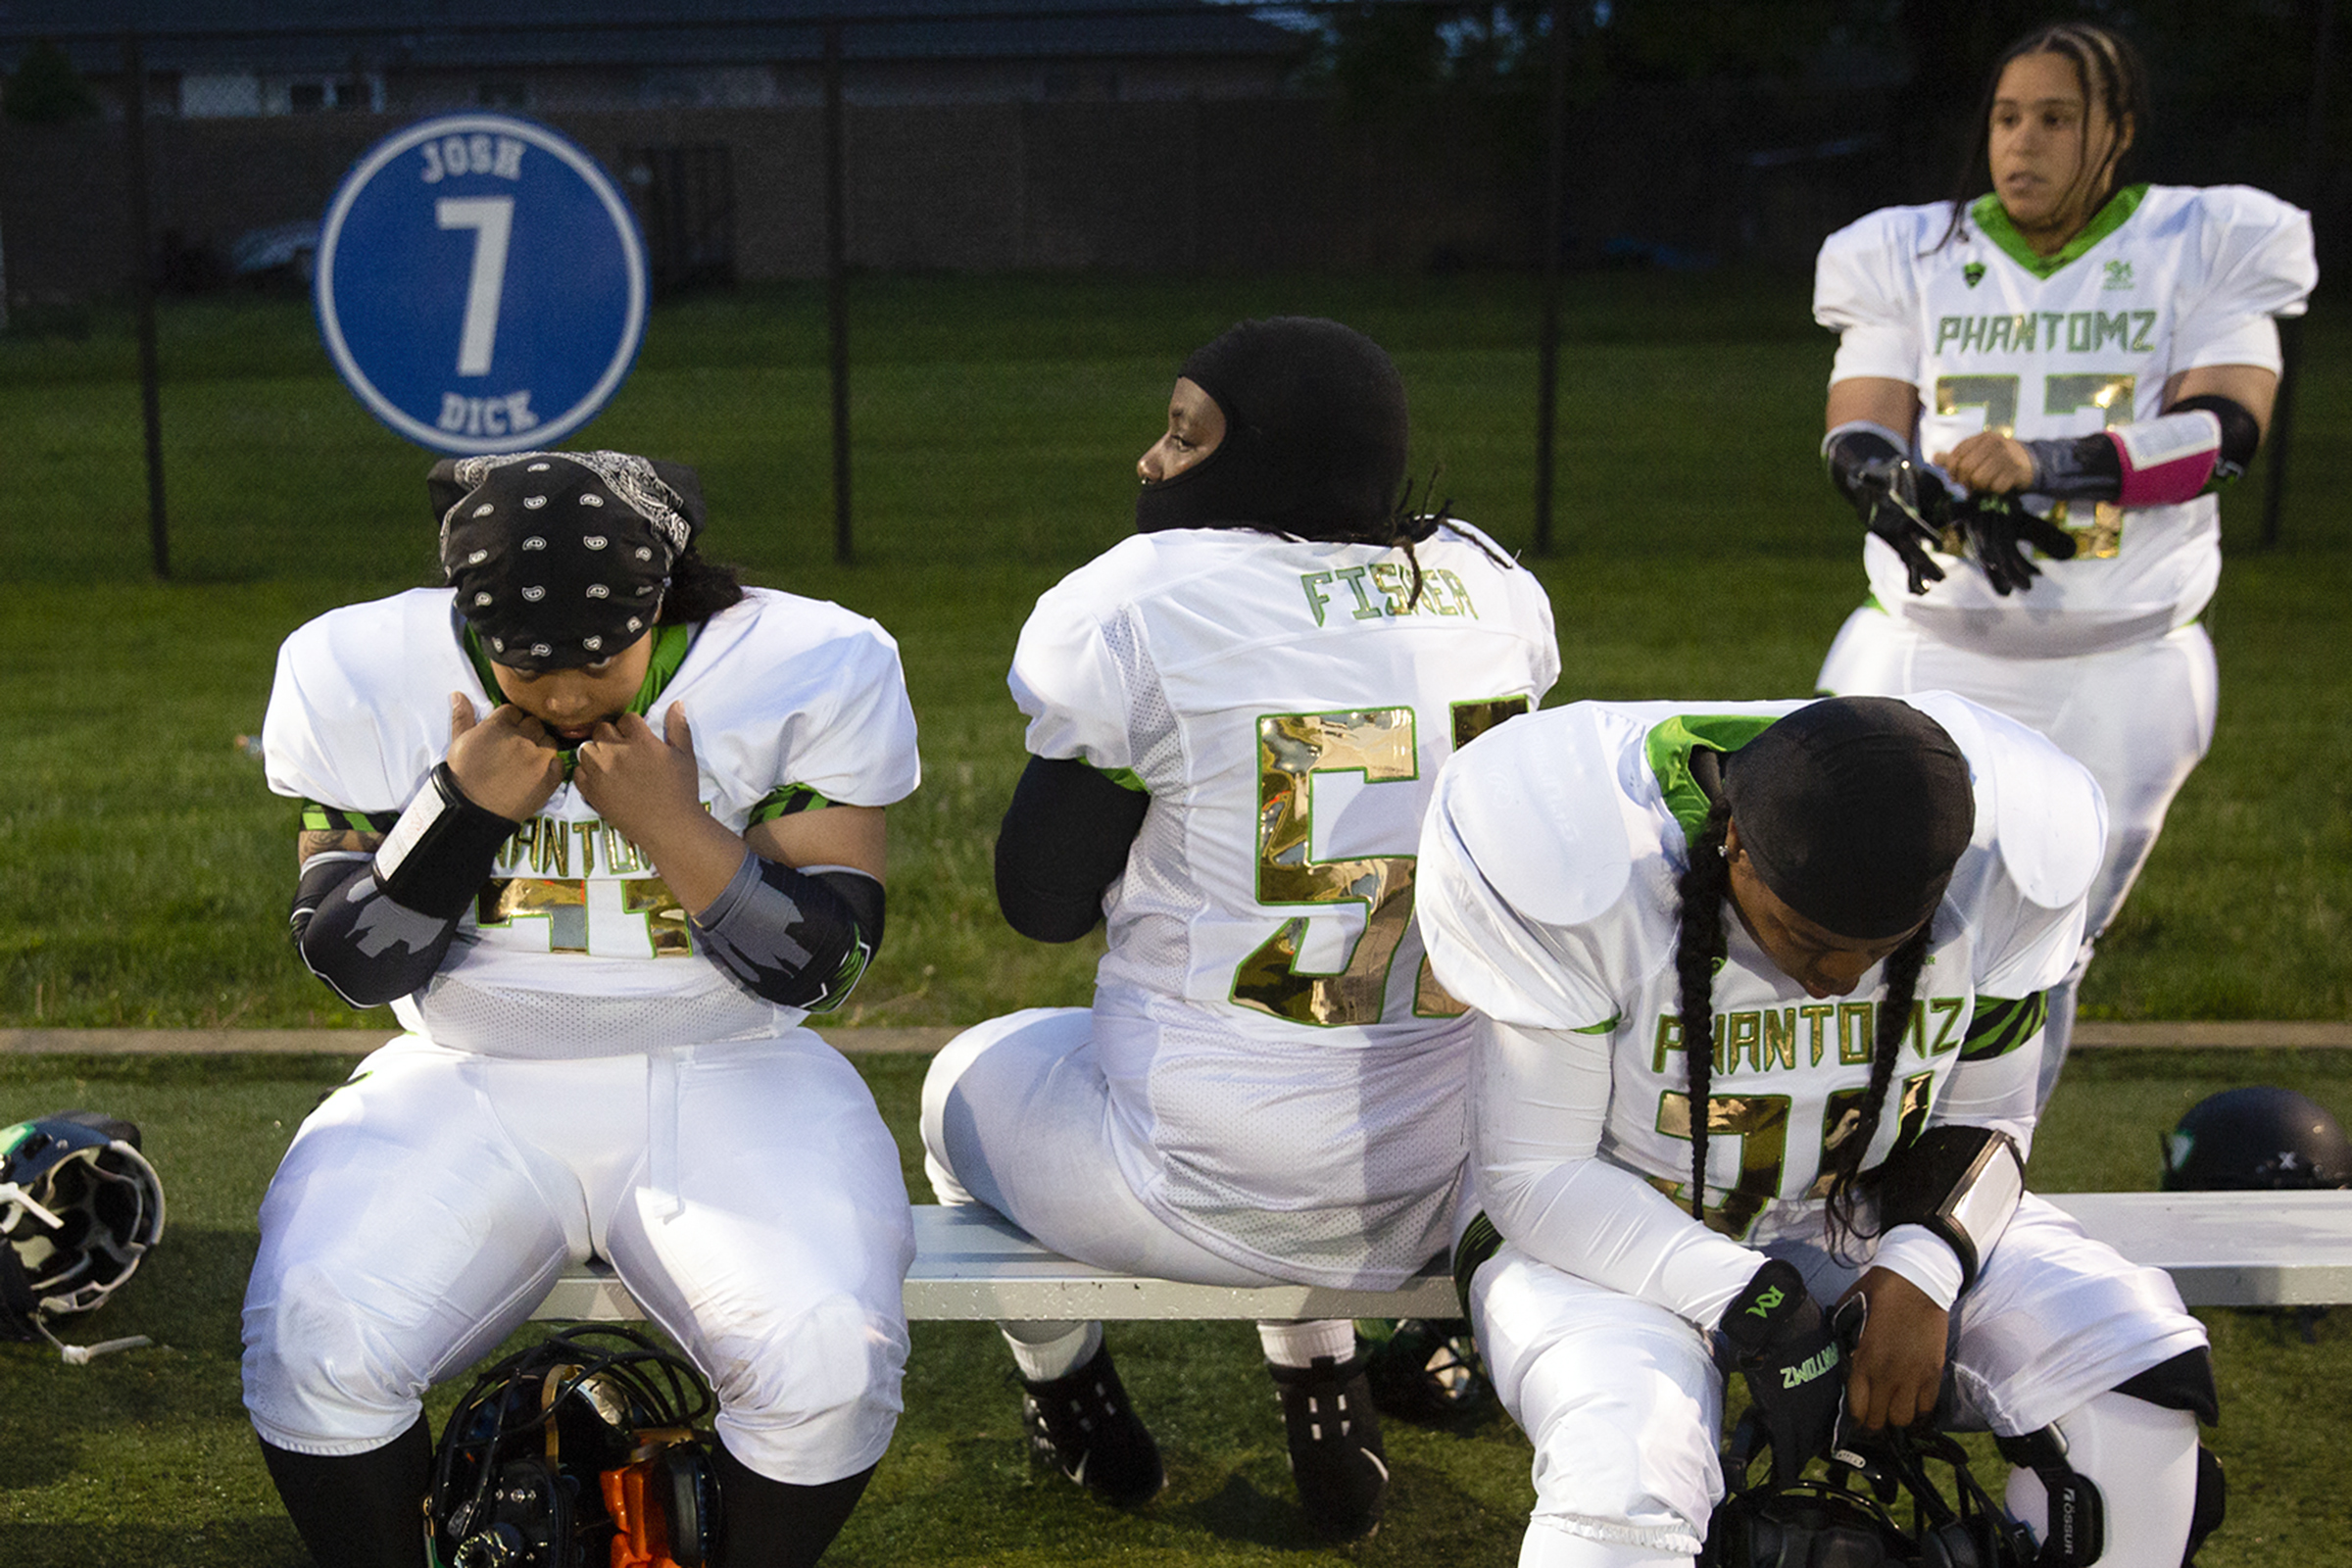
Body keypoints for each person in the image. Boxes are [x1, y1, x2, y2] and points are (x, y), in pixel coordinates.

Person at [918, 317, 1558, 1541]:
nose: (1153, 460)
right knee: (1282, 1059)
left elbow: (1039, 903)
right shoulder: (1484, 587)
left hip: (1207, 1183)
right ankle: (1323, 1387)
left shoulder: (1146, 606)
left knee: (961, 1083)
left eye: (1183, 433)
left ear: (1264, 454)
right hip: (1449, 1162)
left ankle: (1067, 1395)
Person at [244, 450, 920, 1568]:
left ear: (663, 601)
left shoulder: (812, 655)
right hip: (466, 1065)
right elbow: (353, 960)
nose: (561, 693)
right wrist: (458, 811)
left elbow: (821, 966)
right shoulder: (356, 660)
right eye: (523, 658)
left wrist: (677, 827)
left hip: (731, 1062)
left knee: (827, 1358)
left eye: (599, 654)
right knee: (314, 1338)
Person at [1416, 693, 2225, 1568]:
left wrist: (1922, 1269)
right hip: (1604, 1221)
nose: (1837, 981)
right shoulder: (1579, 859)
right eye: (1805, 936)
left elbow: (1987, 1120)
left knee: (2130, 1366)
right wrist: (1762, 1308)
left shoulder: (2011, 855)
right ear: (1735, 847)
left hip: (1858, 1202)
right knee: (1624, 1469)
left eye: (1882, 947)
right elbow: (1535, 1175)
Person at [1809, 20, 2319, 1105]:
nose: (2022, 143)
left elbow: (2227, 429)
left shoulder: (2208, 240)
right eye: (2005, 118)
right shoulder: (1909, 251)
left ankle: (1985, 1168)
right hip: (1926, 643)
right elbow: (1861, 416)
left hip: (2118, 663)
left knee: (2040, 940)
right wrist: (1882, 477)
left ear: (2116, 134)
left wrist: (2051, 464)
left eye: (2055, 119)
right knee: (1848, 909)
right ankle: (1843, 1159)